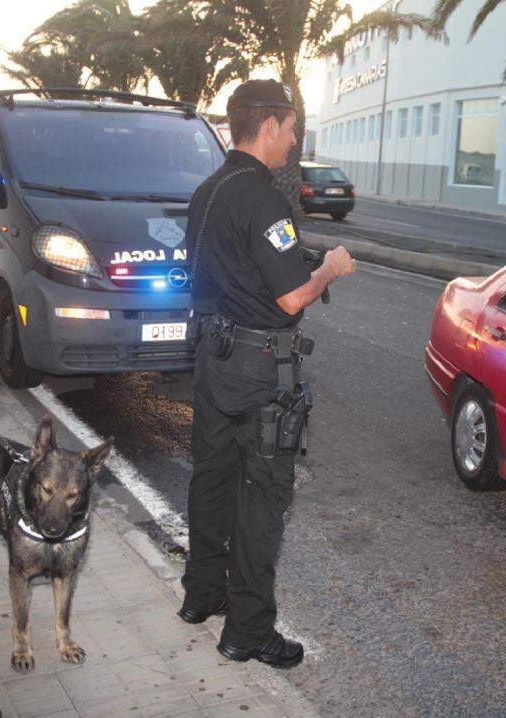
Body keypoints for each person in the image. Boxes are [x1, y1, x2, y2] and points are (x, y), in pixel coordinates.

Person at [177, 79, 356, 668]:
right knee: (261, 498)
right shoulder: (262, 197)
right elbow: (289, 298)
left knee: (211, 479)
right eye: (292, 127)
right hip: (258, 370)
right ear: (270, 125)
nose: (295, 139)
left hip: (211, 356)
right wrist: (328, 269)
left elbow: (225, 270)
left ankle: (201, 597)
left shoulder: (207, 190)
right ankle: (248, 631)